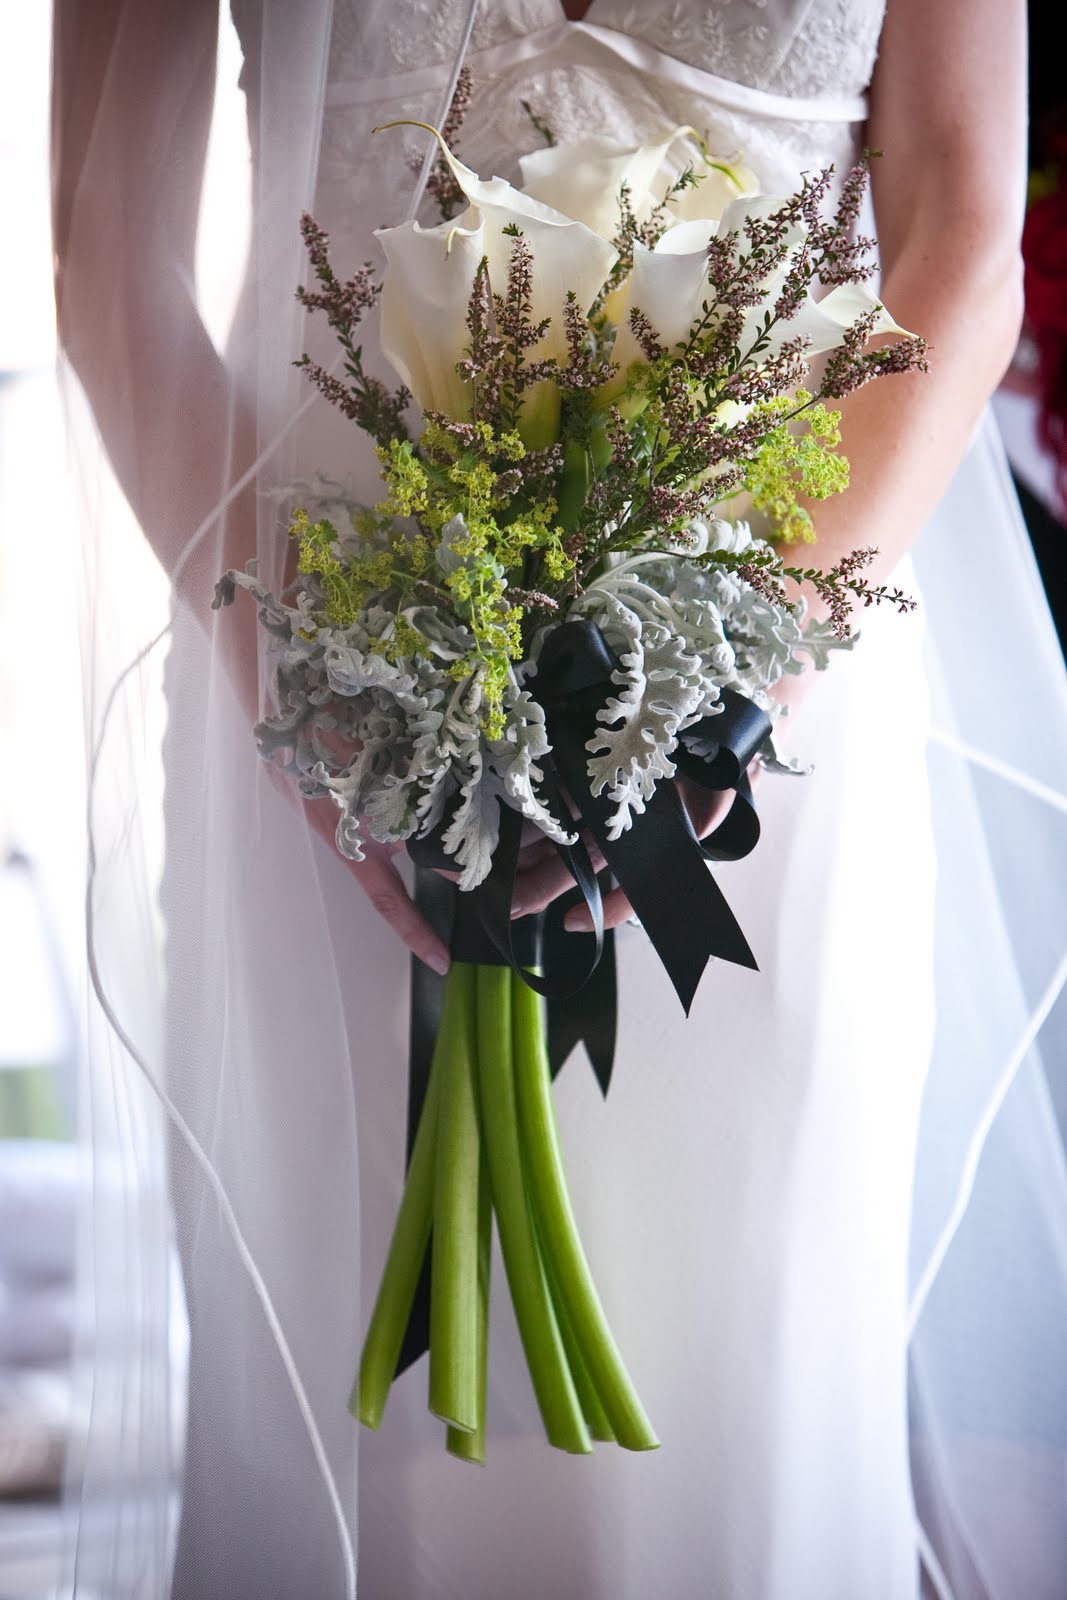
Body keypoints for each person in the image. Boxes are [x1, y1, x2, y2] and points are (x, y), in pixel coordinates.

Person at [51, 2, 1067, 1597]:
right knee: (369, 1445)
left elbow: (960, 225)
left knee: (749, 1399)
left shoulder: (744, 708)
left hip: (767, 725)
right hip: (330, 677)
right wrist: (323, 712)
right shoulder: (325, 713)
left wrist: (720, 697)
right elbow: (108, 251)